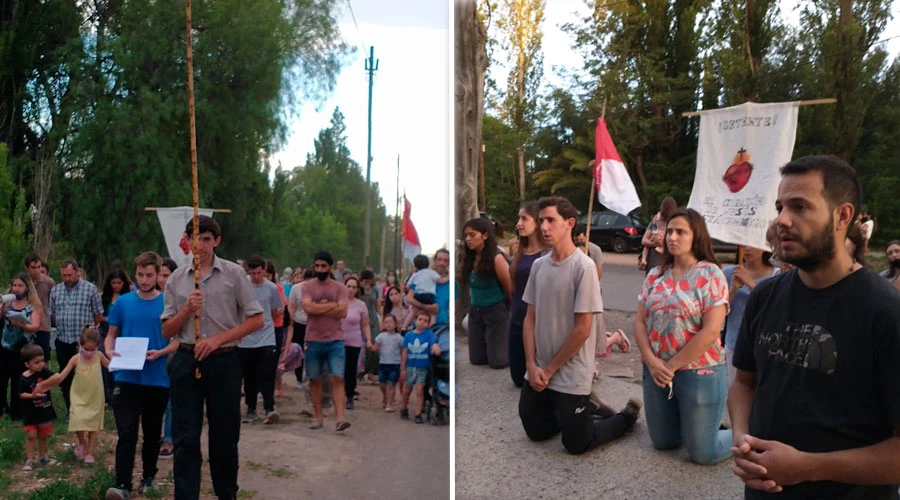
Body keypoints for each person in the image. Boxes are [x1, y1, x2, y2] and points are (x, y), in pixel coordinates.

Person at [729, 155, 900, 499]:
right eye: (780, 207)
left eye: (800, 207)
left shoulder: (885, 312)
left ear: (842, 216)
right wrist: (742, 439)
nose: (782, 220)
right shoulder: (764, 296)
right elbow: (744, 383)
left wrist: (806, 466)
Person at [518, 196, 641, 455]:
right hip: (539, 368)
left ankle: (625, 418)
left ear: (570, 223)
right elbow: (530, 318)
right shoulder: (539, 266)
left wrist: (550, 370)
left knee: (576, 444)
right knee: (536, 432)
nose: (544, 227)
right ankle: (583, 410)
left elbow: (583, 329)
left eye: (551, 220)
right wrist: (531, 364)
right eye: (541, 221)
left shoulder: (583, 268)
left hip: (570, 370)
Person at [161, 215, 264, 500]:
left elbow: (256, 319)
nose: (201, 245)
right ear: (187, 241)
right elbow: (166, 329)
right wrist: (186, 310)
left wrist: (218, 339)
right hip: (185, 358)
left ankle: (226, 494)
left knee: (224, 438)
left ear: (216, 241)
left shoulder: (233, 275)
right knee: (185, 439)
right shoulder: (177, 279)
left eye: (206, 239)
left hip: (224, 361)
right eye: (195, 238)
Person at [635, 207, 732, 464]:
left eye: (681, 232)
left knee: (703, 453)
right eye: (670, 231)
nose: (672, 237)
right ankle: (697, 425)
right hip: (657, 371)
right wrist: (652, 361)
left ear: (695, 236)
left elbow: (711, 331)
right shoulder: (655, 274)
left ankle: (744, 432)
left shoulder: (710, 274)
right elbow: (639, 321)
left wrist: (670, 366)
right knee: (664, 443)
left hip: (699, 371)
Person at [104, 252, 176, 499]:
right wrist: (109, 349)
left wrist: (162, 352)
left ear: (158, 275)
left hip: (157, 377)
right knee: (127, 431)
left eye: (149, 275)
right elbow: (111, 333)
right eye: (140, 275)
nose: (144, 280)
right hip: (127, 376)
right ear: (134, 274)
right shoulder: (123, 302)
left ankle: (149, 477)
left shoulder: (167, 303)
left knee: (153, 431)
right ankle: (122, 484)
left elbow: (178, 340)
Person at [39, 327, 110, 464]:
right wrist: (45, 385)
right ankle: (82, 443)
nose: (89, 353)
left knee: (93, 424)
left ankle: (90, 452)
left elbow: (112, 367)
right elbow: (61, 376)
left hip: (95, 395)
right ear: (79, 345)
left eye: (92, 350)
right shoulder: (75, 359)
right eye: (85, 349)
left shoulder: (99, 356)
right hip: (79, 395)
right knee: (77, 420)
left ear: (97, 347)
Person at [301, 250, 351, 432]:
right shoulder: (307, 286)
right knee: (314, 379)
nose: (319, 269)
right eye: (317, 266)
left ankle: (339, 418)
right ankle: (318, 418)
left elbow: (343, 311)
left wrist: (319, 307)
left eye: (323, 266)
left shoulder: (339, 288)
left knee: (337, 377)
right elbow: (307, 308)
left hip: (335, 340)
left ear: (329, 267)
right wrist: (332, 306)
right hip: (313, 339)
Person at [49, 259, 105, 413]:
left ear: (77, 272)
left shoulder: (90, 289)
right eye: (64, 275)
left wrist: (89, 332)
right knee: (65, 375)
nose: (67, 278)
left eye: (69, 275)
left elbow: (98, 314)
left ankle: (87, 405)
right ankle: (71, 407)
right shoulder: (56, 290)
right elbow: (53, 314)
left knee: (85, 375)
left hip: (83, 342)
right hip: (63, 338)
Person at [722, 247, 778, 387]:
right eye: (743, 244)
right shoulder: (730, 273)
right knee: (737, 388)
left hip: (764, 343)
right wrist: (733, 289)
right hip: (734, 342)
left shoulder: (775, 275)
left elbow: (774, 308)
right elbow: (718, 311)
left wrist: (751, 284)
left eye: (753, 245)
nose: (747, 249)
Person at [460, 217, 511, 368]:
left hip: (496, 311)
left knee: (498, 362)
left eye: (472, 235)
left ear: (485, 236)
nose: (468, 239)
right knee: (477, 359)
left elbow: (509, 287)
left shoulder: (497, 258)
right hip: (475, 312)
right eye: (466, 235)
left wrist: (510, 310)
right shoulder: (469, 258)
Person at [238, 256, 283, 425]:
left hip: (266, 336)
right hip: (246, 337)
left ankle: (269, 407)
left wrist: (267, 324)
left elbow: (274, 311)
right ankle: (250, 408)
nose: (256, 276)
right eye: (253, 273)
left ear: (264, 270)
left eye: (259, 273)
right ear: (248, 271)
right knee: (249, 376)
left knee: (266, 373)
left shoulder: (271, 288)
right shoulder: (243, 287)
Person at [508, 201, 548, 388]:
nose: (519, 223)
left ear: (538, 223)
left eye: (524, 218)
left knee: (536, 380)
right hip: (517, 319)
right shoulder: (519, 251)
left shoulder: (548, 253)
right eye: (519, 218)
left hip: (538, 323)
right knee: (518, 379)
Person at [1, 274, 42, 421]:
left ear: (27, 288)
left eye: (20, 286)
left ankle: (17, 412)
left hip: (24, 348)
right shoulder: (8, 303)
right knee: (2, 379)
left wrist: (21, 324)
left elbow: (35, 326)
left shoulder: (33, 305)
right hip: (5, 346)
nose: (16, 289)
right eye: (15, 285)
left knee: (18, 380)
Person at [18, 344, 60, 471]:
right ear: (27, 364)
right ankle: (29, 459)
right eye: (36, 362)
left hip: (44, 410)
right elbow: (21, 394)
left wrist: (48, 383)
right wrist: (32, 395)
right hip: (30, 413)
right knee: (31, 435)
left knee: (43, 435)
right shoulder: (23, 378)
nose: (41, 364)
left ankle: (43, 457)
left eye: (42, 361)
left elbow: (56, 376)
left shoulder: (44, 372)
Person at [399, 311, 439, 424]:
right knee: (406, 390)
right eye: (420, 319)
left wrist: (436, 347)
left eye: (426, 321)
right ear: (415, 320)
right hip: (410, 367)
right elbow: (404, 352)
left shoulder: (429, 334)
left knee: (419, 390)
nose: (422, 323)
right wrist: (402, 368)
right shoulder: (409, 335)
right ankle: (403, 408)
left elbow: (433, 344)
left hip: (422, 367)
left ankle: (418, 413)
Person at [340, 277, 373, 410]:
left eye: (354, 287)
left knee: (351, 369)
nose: (351, 289)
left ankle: (349, 396)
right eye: (349, 286)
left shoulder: (361, 305)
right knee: (338, 369)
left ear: (357, 289)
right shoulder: (339, 302)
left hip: (354, 341)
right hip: (338, 340)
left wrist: (369, 339)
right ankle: (337, 394)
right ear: (344, 287)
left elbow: (365, 325)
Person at [157, 257, 177, 458]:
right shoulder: (150, 298)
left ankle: (169, 439)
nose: (162, 279)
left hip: (172, 352)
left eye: (166, 275)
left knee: (170, 399)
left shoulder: (178, 298)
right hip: (152, 354)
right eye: (160, 275)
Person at [286, 268, 316, 388]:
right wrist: (290, 322)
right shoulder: (296, 289)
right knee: (299, 351)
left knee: (312, 351)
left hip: (313, 324)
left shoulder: (318, 289)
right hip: (299, 323)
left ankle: (311, 376)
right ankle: (299, 377)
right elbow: (291, 306)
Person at [24, 254, 54, 363]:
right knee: (26, 358)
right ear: (27, 268)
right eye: (33, 267)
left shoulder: (48, 282)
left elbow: (53, 303)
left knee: (43, 358)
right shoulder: (23, 282)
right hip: (26, 324)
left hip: (43, 326)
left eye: (39, 267)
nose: (37, 270)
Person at [404, 254, 448, 324]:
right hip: (428, 298)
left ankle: (404, 326)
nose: (441, 263)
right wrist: (427, 307)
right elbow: (408, 298)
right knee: (433, 313)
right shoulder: (432, 273)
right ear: (433, 261)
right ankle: (432, 326)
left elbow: (407, 287)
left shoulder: (416, 275)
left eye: (445, 261)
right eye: (439, 260)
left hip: (442, 325)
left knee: (413, 311)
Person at [372, 315, 403, 412]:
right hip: (383, 363)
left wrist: (403, 364)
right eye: (386, 322)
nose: (388, 324)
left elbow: (403, 352)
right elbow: (375, 348)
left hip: (395, 363)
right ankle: (385, 396)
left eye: (391, 322)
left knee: (391, 384)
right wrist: (369, 345)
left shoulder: (399, 338)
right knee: (382, 384)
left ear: (395, 324)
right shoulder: (381, 336)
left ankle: (389, 403)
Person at [640, 197, 677, 273]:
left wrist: (653, 244)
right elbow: (644, 240)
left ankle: (643, 259)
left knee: (653, 279)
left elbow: (644, 240)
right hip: (668, 255)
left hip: (656, 243)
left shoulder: (657, 218)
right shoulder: (675, 222)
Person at [359, 269, 382, 385]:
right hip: (360, 321)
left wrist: (383, 318)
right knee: (362, 347)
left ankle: (372, 372)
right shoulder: (358, 290)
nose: (367, 283)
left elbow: (377, 305)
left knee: (374, 345)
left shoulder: (375, 290)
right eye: (365, 281)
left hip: (373, 320)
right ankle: (360, 372)